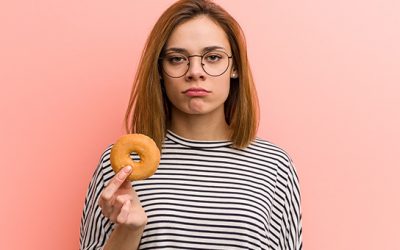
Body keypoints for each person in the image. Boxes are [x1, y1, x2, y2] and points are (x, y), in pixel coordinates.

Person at [79, 0, 302, 249]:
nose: (195, 71)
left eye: (213, 57)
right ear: (160, 70)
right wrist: (130, 229)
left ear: (235, 67)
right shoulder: (122, 168)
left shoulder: (274, 166)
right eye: (177, 59)